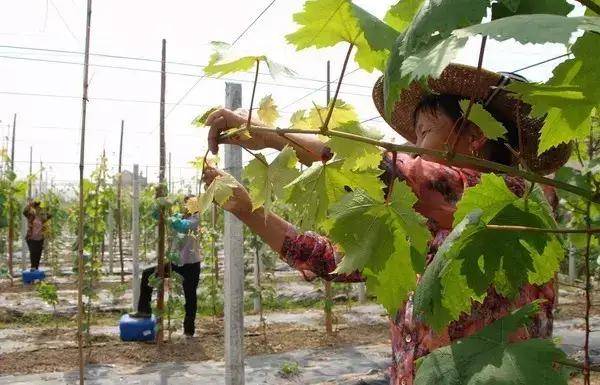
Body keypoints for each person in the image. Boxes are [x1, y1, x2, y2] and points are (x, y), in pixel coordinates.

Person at [201, 64, 571, 385]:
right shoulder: (431, 220)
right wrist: (246, 208)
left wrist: (273, 135)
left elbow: (388, 169)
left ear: (474, 137)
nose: (415, 147)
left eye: (425, 132)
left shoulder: (509, 198)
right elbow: (333, 259)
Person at [132, 195, 201, 338]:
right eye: (186, 204)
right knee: (148, 275)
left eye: (191, 204)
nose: (187, 207)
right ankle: (144, 310)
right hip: (175, 263)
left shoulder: (195, 220)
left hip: (191, 265)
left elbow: (181, 226)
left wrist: (167, 217)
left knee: (190, 297)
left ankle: (189, 330)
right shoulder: (179, 216)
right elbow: (157, 216)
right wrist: (159, 205)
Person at [22, 198, 51, 271]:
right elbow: (24, 212)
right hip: (31, 238)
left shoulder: (43, 218)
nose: (38, 209)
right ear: (34, 208)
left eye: (39, 208)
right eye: (37, 208)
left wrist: (45, 209)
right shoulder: (31, 216)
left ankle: (36, 270)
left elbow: (50, 215)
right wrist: (30, 205)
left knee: (38, 255)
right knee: (33, 253)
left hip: (40, 239)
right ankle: (33, 269)